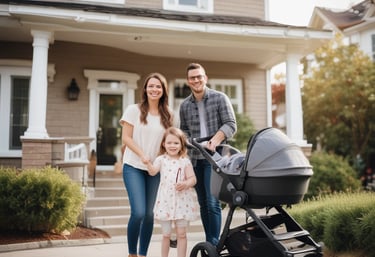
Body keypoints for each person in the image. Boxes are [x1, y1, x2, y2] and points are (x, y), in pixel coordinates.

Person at [179, 63, 237, 245]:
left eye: (199, 76)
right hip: (195, 159)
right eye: (192, 78)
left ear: (205, 78)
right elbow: (184, 132)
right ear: (188, 81)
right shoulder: (184, 106)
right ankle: (210, 242)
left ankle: (214, 244)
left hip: (216, 159)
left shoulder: (220, 98)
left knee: (213, 203)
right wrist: (192, 143)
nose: (196, 80)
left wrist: (214, 141)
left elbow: (230, 124)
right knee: (204, 203)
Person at [120, 72, 176, 257]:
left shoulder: (168, 114)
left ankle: (143, 254)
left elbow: (168, 143)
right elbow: (126, 138)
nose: (154, 89)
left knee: (150, 215)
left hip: (155, 170)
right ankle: (131, 253)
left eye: (158, 86)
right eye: (151, 86)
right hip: (133, 166)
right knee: (138, 213)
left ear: (163, 90)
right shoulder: (133, 110)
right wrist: (143, 155)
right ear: (145, 89)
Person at [146, 127, 199, 257]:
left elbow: (193, 179)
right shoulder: (161, 159)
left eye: (176, 143)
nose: (172, 146)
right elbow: (152, 172)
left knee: (182, 234)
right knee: (166, 235)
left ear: (181, 144)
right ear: (164, 144)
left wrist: (186, 183)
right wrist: (147, 162)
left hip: (182, 203)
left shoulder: (185, 161)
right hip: (165, 202)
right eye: (169, 142)